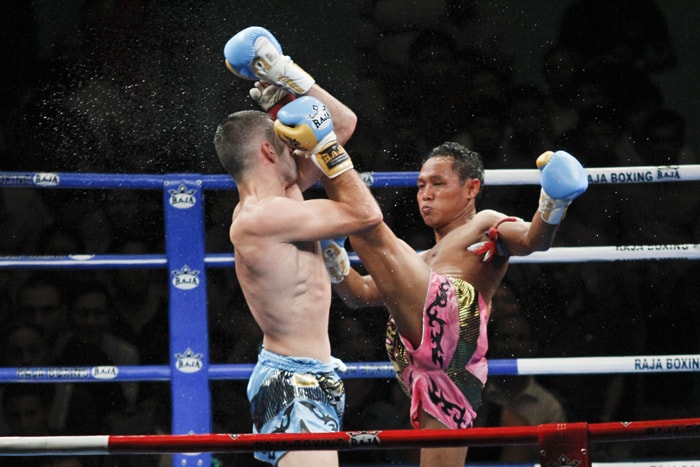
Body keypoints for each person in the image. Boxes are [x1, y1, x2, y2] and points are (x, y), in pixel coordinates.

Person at [226, 26, 587, 467]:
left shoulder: (484, 225)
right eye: (419, 186)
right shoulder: (411, 261)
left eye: (437, 184)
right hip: (417, 364)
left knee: (364, 224)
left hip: (451, 325)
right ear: (268, 152)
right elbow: (359, 296)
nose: (424, 194)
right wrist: (338, 263)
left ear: (472, 188)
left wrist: (552, 204)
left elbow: (533, 241)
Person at [216, 26, 383, 467]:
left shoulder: (286, 194)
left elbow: (343, 123)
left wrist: (290, 77)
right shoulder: (262, 217)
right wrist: (323, 146)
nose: (298, 145)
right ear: (271, 153)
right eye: (287, 141)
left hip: (310, 374)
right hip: (292, 381)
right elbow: (366, 216)